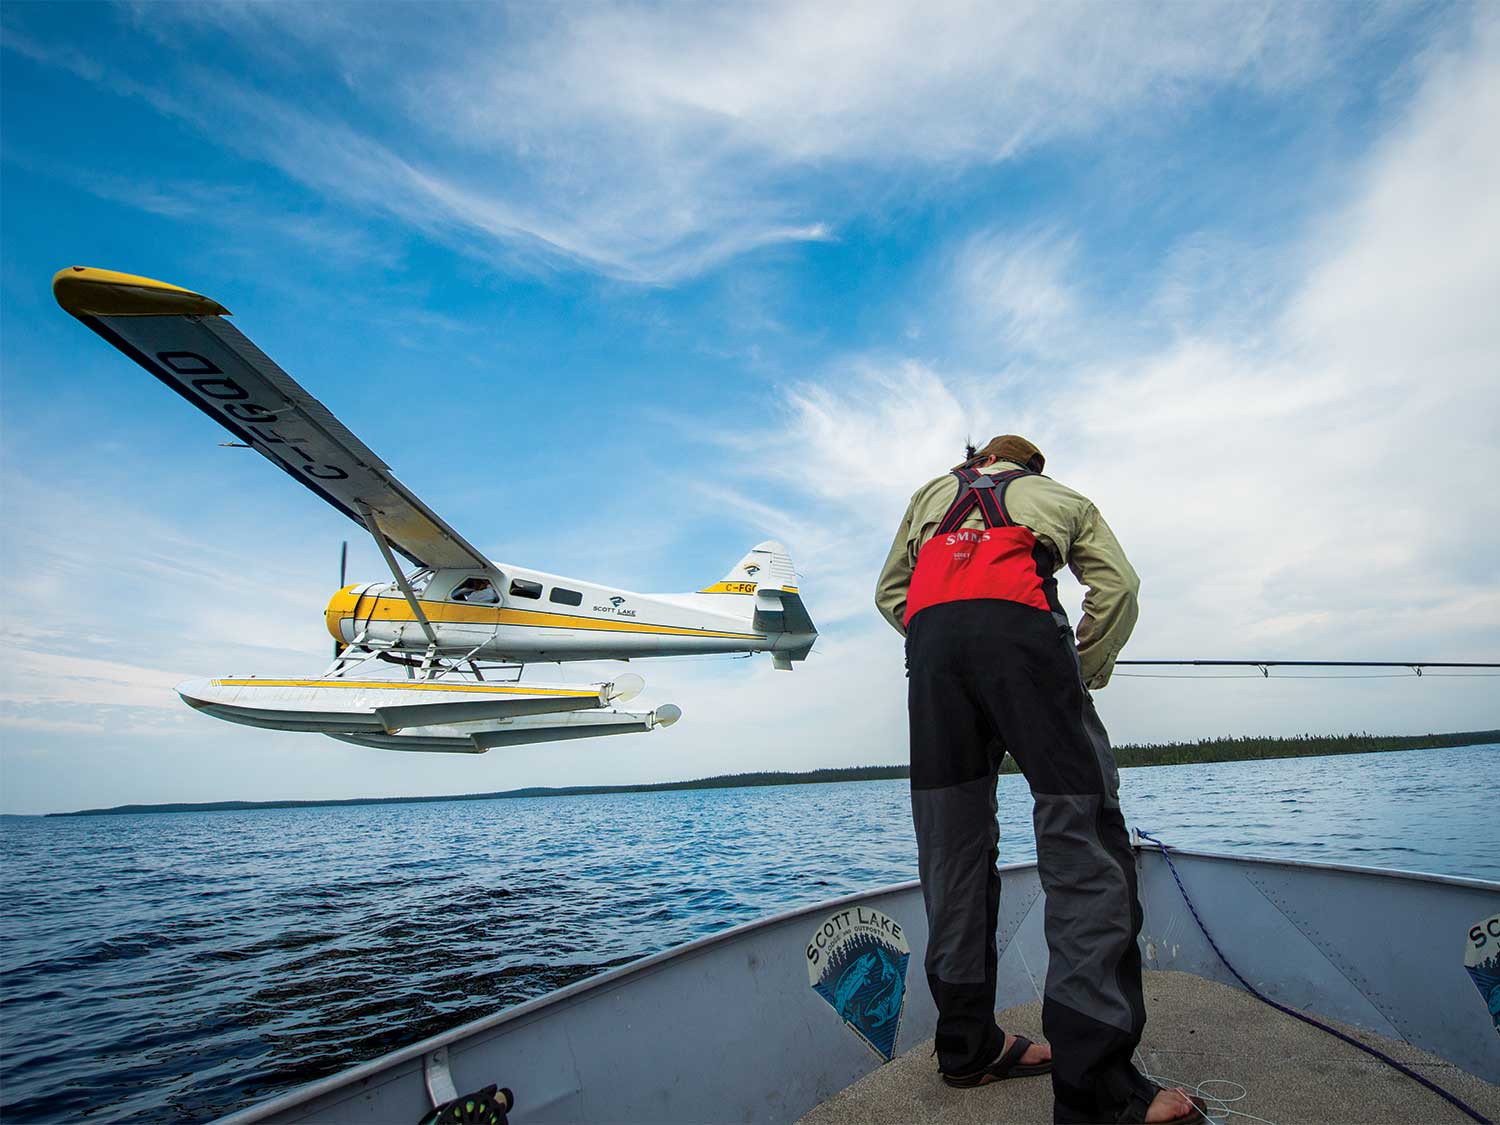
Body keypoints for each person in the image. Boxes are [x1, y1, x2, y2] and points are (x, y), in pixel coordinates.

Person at [874, 435, 1204, 1124]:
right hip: (1024, 641)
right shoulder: (1060, 497)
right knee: (1082, 845)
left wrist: (945, 643)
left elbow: (890, 593)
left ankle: (967, 1046)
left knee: (950, 850)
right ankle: (1100, 1094)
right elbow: (1118, 588)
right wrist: (1081, 668)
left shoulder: (930, 495)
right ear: (1029, 467)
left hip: (933, 657)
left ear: (979, 459)